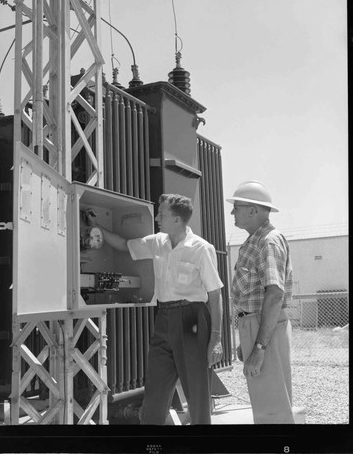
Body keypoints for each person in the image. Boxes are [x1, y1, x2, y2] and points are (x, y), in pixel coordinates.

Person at [100, 193, 223, 425]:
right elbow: (124, 245)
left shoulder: (201, 248)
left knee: (197, 395)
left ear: (177, 219)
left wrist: (216, 339)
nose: (157, 217)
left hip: (193, 321)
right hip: (164, 318)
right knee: (154, 393)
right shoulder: (157, 241)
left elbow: (215, 295)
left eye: (162, 214)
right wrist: (98, 229)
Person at [227, 180, 294, 424]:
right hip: (257, 327)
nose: (232, 212)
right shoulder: (257, 240)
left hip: (264, 328)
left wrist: (258, 347)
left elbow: (274, 295)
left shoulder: (268, 241)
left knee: (272, 410)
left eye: (237, 207)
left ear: (253, 210)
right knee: (265, 405)